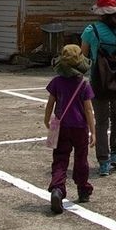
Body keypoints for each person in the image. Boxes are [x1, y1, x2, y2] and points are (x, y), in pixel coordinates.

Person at [80, 0, 116, 176]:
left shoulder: (91, 31)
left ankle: (103, 162)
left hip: (98, 82)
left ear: (100, 12)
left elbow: (82, 58)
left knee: (101, 122)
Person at [44, 43, 96, 214]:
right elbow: (88, 109)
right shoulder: (84, 85)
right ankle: (83, 189)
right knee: (81, 158)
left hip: (61, 127)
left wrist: (47, 120)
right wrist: (93, 131)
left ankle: (58, 188)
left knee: (60, 158)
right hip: (80, 127)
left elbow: (50, 103)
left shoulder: (56, 82)